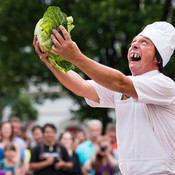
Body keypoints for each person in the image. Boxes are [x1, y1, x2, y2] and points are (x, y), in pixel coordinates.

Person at [33, 21, 175, 174]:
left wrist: (76, 57)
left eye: (144, 42)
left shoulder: (163, 84)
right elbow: (82, 87)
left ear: (157, 59)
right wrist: (52, 61)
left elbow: (120, 82)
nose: (134, 45)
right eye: (133, 42)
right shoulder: (122, 86)